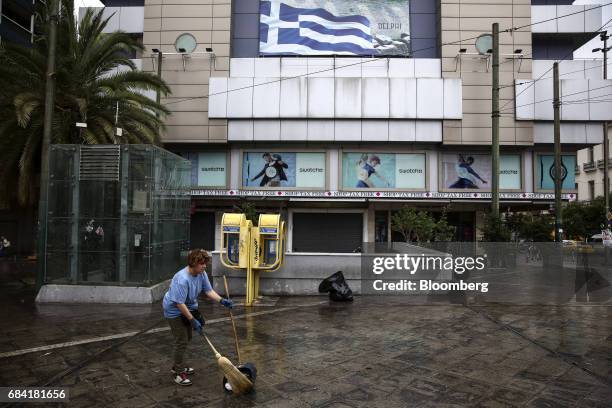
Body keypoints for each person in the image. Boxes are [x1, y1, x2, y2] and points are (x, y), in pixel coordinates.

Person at [162, 249, 233, 386]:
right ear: (194, 263)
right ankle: (178, 372)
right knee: (181, 340)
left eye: (206, 263)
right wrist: (192, 320)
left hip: (189, 307)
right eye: (202, 264)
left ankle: (178, 364)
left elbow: (208, 291)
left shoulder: (201, 273)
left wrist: (222, 301)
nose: (205, 266)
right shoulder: (182, 279)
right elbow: (179, 303)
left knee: (187, 337)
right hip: (174, 310)